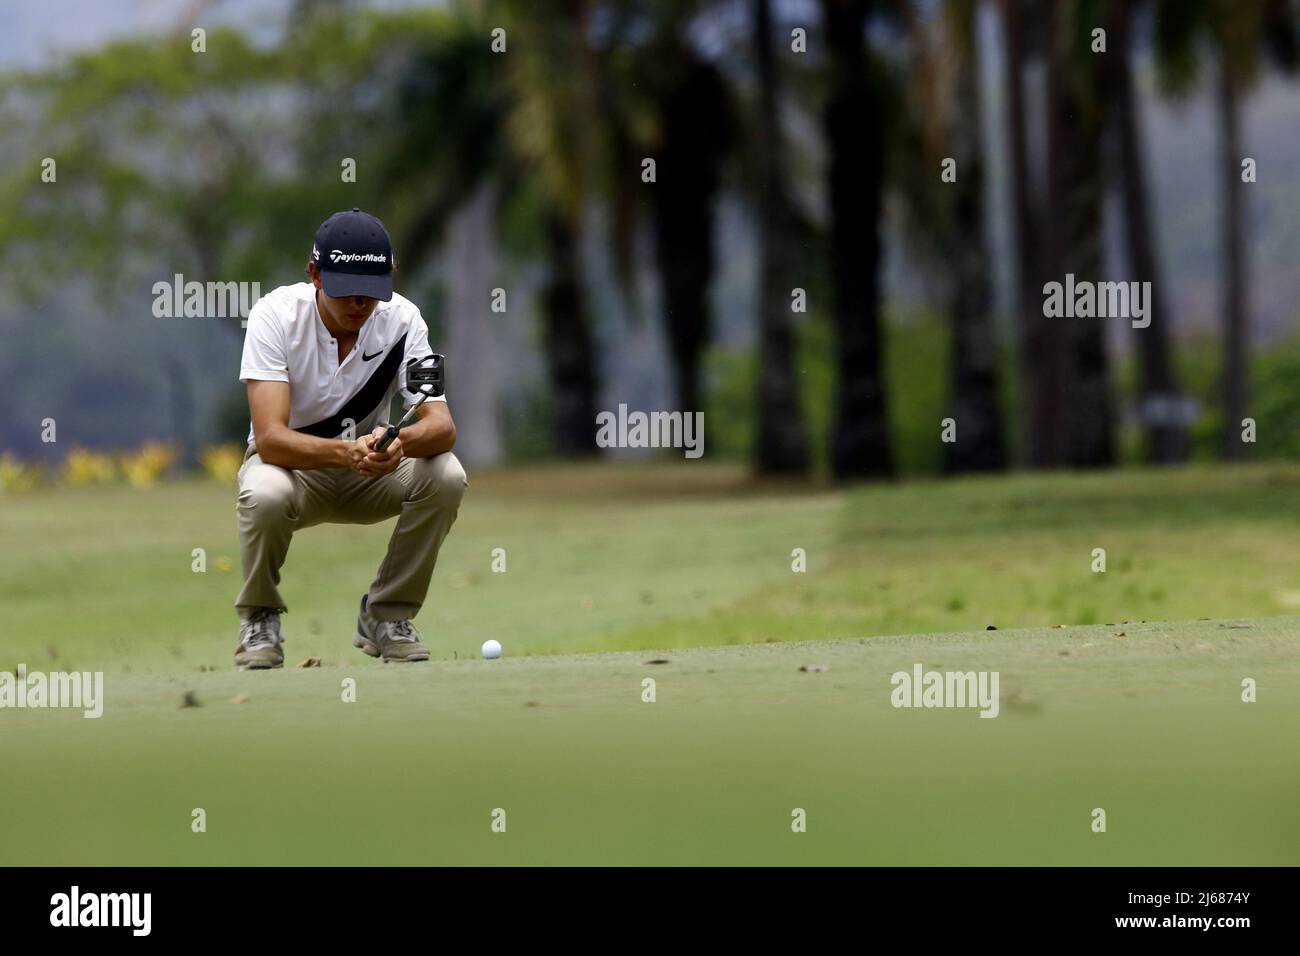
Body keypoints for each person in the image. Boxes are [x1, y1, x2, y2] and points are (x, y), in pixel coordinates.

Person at [232, 207, 466, 669]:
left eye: (371, 291)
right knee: (264, 492)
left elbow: (442, 426)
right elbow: (271, 439)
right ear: (315, 274)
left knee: (447, 475)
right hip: (295, 470)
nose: (360, 304)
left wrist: (401, 443)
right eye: (347, 291)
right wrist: (345, 451)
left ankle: (387, 615)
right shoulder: (275, 316)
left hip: (372, 472)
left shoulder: (404, 321)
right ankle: (259, 618)